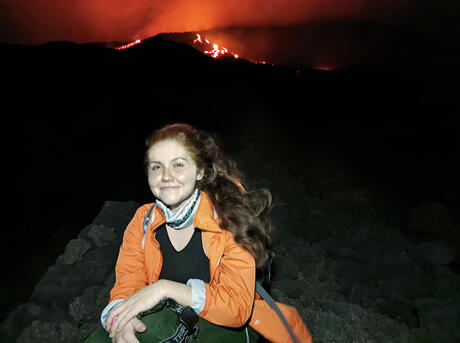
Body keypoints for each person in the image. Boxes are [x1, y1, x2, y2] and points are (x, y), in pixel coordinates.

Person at [85, 123, 312, 343]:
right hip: (165, 318)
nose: (166, 175)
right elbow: (127, 283)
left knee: (155, 329)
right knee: (100, 338)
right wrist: (121, 320)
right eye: (156, 166)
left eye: (178, 165)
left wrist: (163, 288)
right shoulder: (143, 221)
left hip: (226, 327)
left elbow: (237, 308)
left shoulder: (230, 219)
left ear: (200, 171)